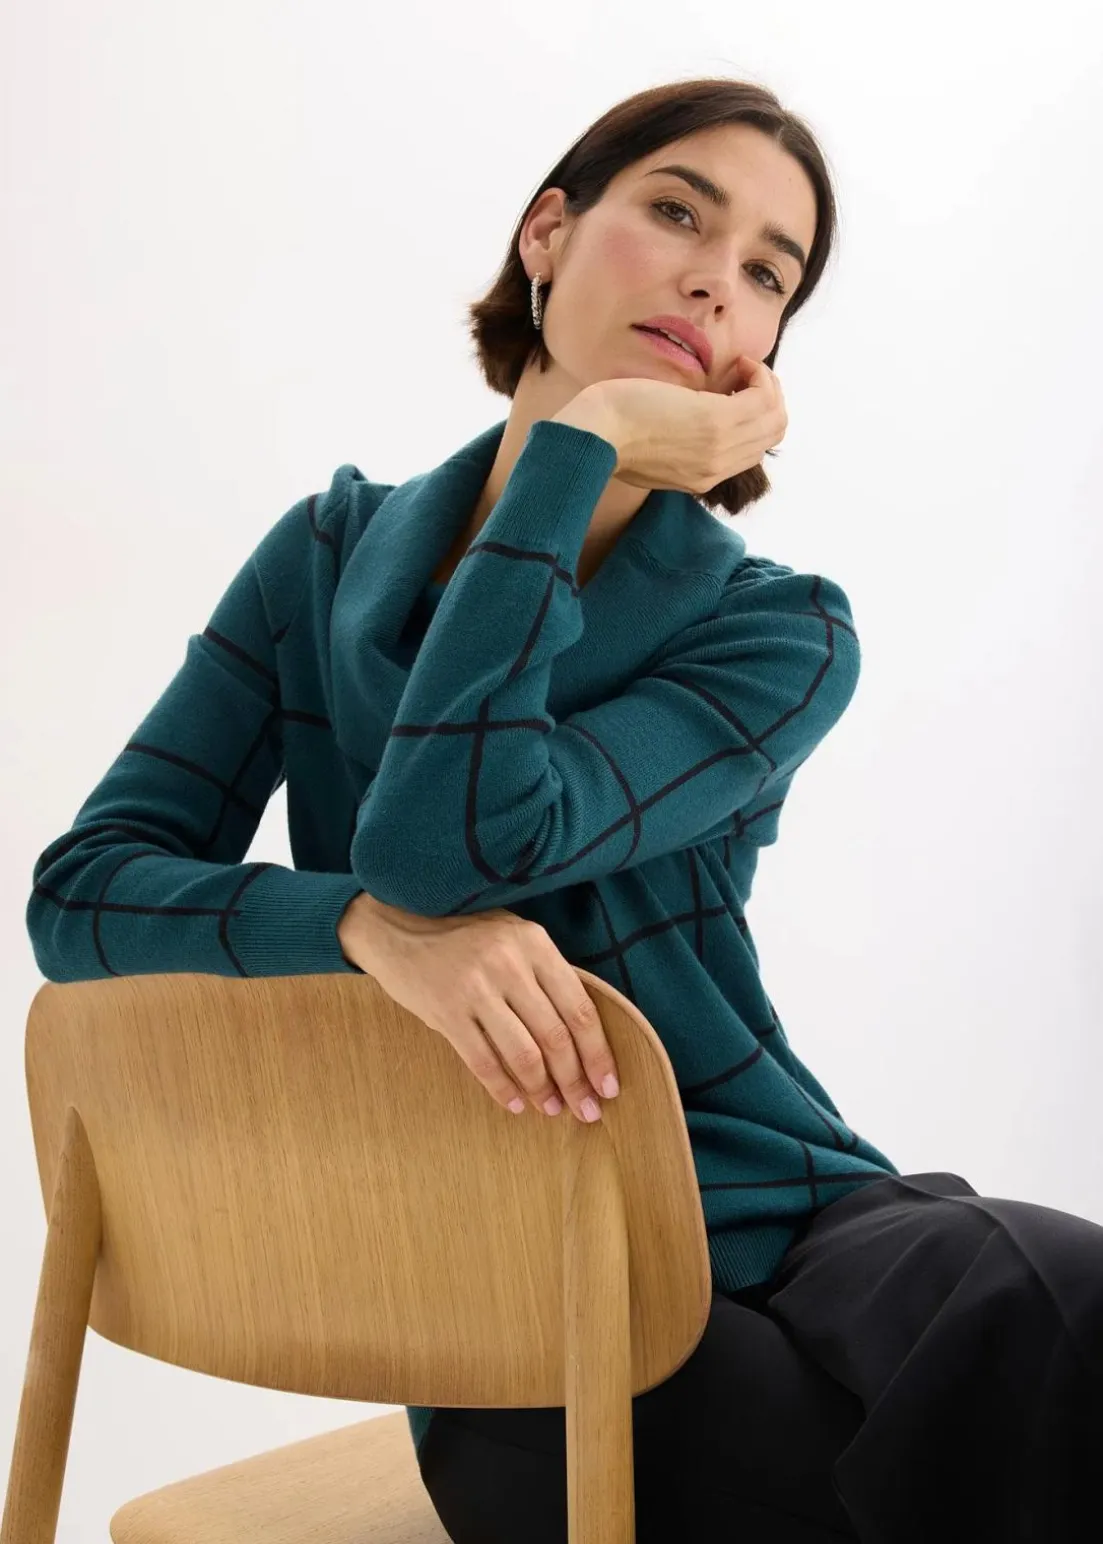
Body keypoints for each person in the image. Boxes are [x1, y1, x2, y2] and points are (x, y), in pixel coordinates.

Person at [26, 76, 1103, 1542]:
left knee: (1057, 1311)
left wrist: (578, 447)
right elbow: (94, 888)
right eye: (677, 212)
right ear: (547, 233)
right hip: (511, 1299)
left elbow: (457, 843)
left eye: (768, 273)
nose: (716, 279)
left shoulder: (779, 633)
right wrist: (364, 932)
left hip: (785, 1217)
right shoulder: (323, 560)